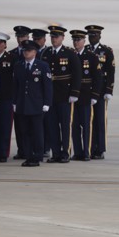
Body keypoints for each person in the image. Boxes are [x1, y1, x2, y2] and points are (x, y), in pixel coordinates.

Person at [40, 25, 82, 163]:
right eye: (52, 37)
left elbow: (77, 74)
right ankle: (56, 153)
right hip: (50, 96)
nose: (53, 39)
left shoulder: (70, 53)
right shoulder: (46, 53)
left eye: (56, 37)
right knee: (52, 126)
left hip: (65, 95)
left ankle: (65, 152)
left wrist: (74, 93)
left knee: (65, 125)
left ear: (62, 38)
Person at [13, 40, 52, 167]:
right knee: (25, 132)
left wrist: (47, 103)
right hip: (23, 105)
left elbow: (47, 86)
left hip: (37, 104)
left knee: (37, 131)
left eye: (28, 50)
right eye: (24, 50)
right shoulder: (19, 65)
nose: (26, 52)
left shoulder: (42, 66)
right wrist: (15, 102)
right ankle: (29, 155)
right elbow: (16, 86)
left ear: (34, 52)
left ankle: (38, 155)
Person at [69, 29, 101, 161]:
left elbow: (98, 78)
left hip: (86, 95)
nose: (76, 42)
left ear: (84, 41)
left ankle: (87, 152)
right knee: (74, 125)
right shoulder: (70, 55)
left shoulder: (91, 56)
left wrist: (94, 96)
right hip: (72, 96)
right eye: (74, 40)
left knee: (87, 125)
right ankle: (77, 151)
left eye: (78, 40)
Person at [84, 25, 116, 160]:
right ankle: (90, 147)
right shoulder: (84, 50)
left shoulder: (106, 51)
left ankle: (100, 148)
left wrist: (109, 90)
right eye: (90, 35)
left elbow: (111, 72)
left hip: (102, 91)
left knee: (100, 120)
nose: (92, 38)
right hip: (87, 91)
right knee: (88, 120)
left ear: (100, 36)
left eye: (95, 35)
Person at [0, 31, 16, 163]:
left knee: (5, 126)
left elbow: (15, 79)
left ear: (5, 45)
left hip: (7, 97)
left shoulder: (12, 58)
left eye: (0, 43)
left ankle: (3, 153)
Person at [9, 25, 32, 160]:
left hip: (30, 94)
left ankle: (31, 149)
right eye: (19, 36)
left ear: (28, 37)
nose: (21, 39)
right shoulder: (11, 54)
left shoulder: (34, 53)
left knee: (30, 124)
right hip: (17, 94)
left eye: (23, 36)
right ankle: (21, 149)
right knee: (19, 124)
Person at [32, 28, 50, 157]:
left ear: (44, 39)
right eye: (34, 39)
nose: (37, 41)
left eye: (39, 39)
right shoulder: (31, 51)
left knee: (46, 123)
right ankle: (36, 147)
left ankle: (46, 148)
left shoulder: (48, 52)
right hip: (34, 94)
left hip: (45, 92)